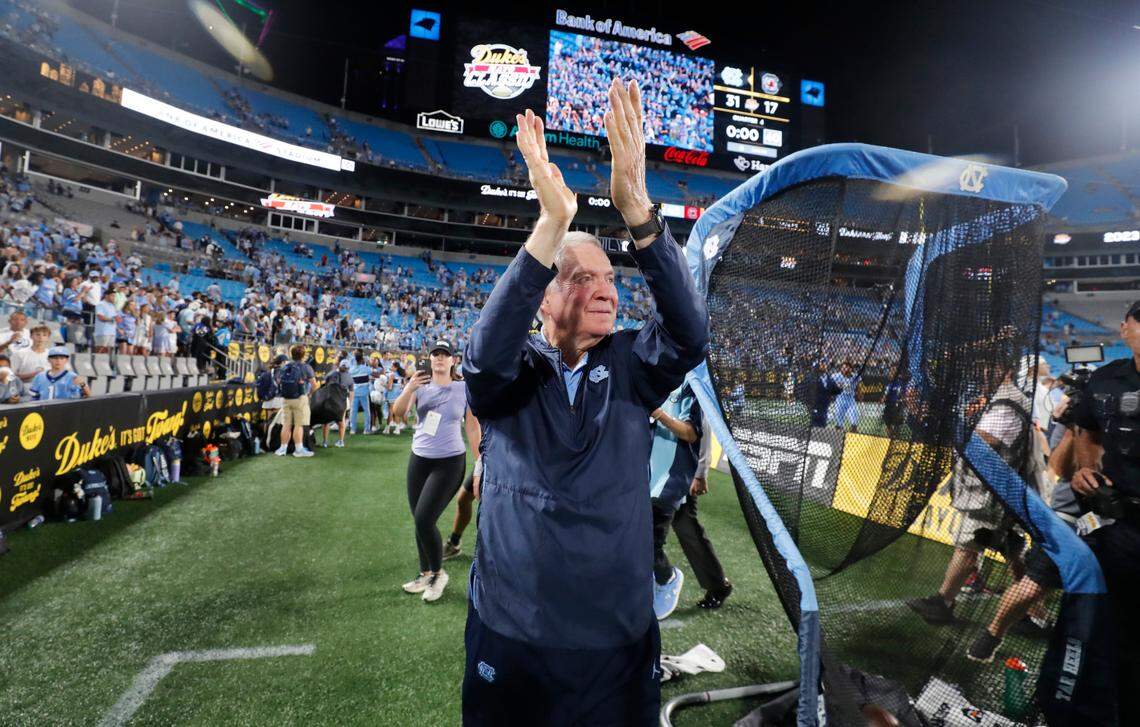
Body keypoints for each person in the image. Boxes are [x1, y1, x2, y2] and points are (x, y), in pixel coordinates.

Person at [461, 84, 708, 724]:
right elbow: (483, 358)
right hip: (515, 630)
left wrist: (638, 211)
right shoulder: (511, 374)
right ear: (543, 296)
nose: (605, 292)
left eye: (610, 279)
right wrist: (552, 225)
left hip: (617, 637)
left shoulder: (630, 363)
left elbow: (689, 333)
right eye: (580, 278)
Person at [907, 367, 1036, 625]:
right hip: (991, 490)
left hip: (989, 494)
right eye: (983, 368)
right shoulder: (998, 400)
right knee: (1012, 549)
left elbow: (985, 441)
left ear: (1007, 371)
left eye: (991, 369)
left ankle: (942, 602)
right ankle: (1034, 613)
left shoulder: (1008, 404)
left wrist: (949, 424)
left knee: (968, 546)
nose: (983, 374)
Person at [1067, 299, 1140, 724]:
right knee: (1121, 633)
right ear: (1125, 329)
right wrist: (1086, 469)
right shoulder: (1106, 379)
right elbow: (1087, 429)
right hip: (1123, 525)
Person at [391, 340, 480, 602]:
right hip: (419, 460)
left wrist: (480, 462)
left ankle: (438, 574)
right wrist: (409, 388)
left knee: (424, 519)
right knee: (419, 519)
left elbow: (472, 427)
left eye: (445, 355)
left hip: (450, 462)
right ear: (429, 360)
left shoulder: (464, 388)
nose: (440, 359)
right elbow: (398, 414)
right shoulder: (419, 387)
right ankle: (425, 572)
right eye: (435, 354)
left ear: (453, 360)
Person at [649, 383, 732, 621]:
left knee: (687, 530)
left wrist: (701, 472)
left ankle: (715, 585)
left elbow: (702, 427)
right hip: (661, 469)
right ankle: (716, 584)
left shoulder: (693, 379)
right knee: (686, 527)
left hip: (680, 470)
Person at [274, 344, 316, 458]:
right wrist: (309, 393)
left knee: (286, 424)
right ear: (303, 355)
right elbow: (314, 385)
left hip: (286, 398)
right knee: (299, 424)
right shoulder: (306, 367)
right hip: (300, 398)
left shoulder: (285, 366)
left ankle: (282, 449)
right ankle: (298, 450)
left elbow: (278, 381)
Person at [320, 358, 352, 448]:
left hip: (331, 400)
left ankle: (325, 442)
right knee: (340, 421)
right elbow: (351, 391)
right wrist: (350, 403)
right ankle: (340, 441)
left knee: (326, 422)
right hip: (341, 400)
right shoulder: (349, 377)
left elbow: (325, 385)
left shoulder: (331, 374)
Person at [829, 361, 861, 432]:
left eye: (847, 367)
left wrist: (860, 395)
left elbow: (859, 387)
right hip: (840, 398)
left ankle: (853, 431)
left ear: (851, 369)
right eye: (843, 368)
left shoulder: (855, 376)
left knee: (854, 415)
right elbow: (830, 386)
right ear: (841, 369)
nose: (845, 369)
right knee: (839, 420)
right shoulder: (836, 376)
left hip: (850, 399)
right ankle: (839, 431)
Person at [348, 349, 373, 435]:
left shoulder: (351, 369)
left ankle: (353, 429)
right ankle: (366, 429)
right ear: (362, 359)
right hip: (364, 393)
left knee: (353, 411)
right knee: (367, 411)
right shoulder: (366, 369)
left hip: (355, 393)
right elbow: (373, 372)